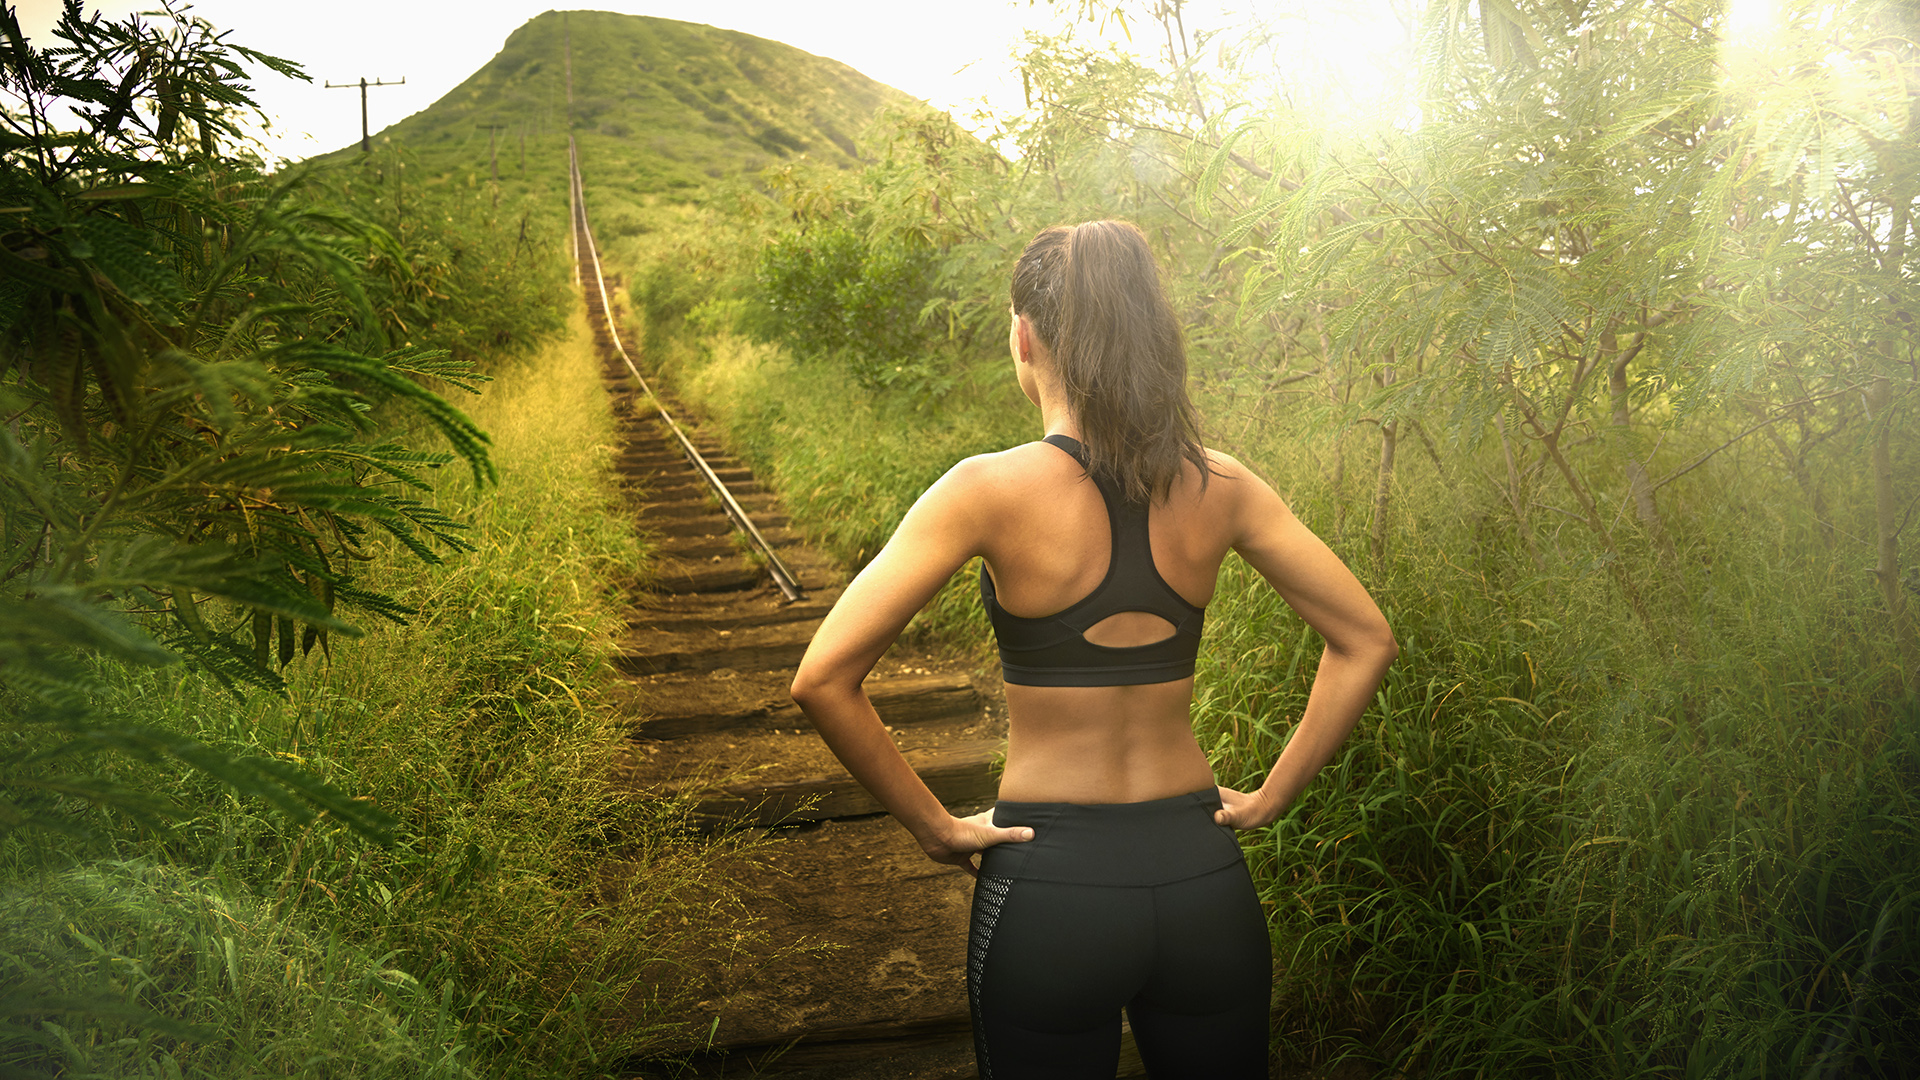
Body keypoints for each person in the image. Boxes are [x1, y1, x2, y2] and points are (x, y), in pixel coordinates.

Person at [789, 220, 1398, 1080]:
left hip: (1050, 888)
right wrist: (1268, 798)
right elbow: (1366, 638)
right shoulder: (1219, 485)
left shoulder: (985, 491)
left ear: (1025, 336)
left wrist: (936, 828)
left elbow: (822, 679)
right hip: (1203, 881)